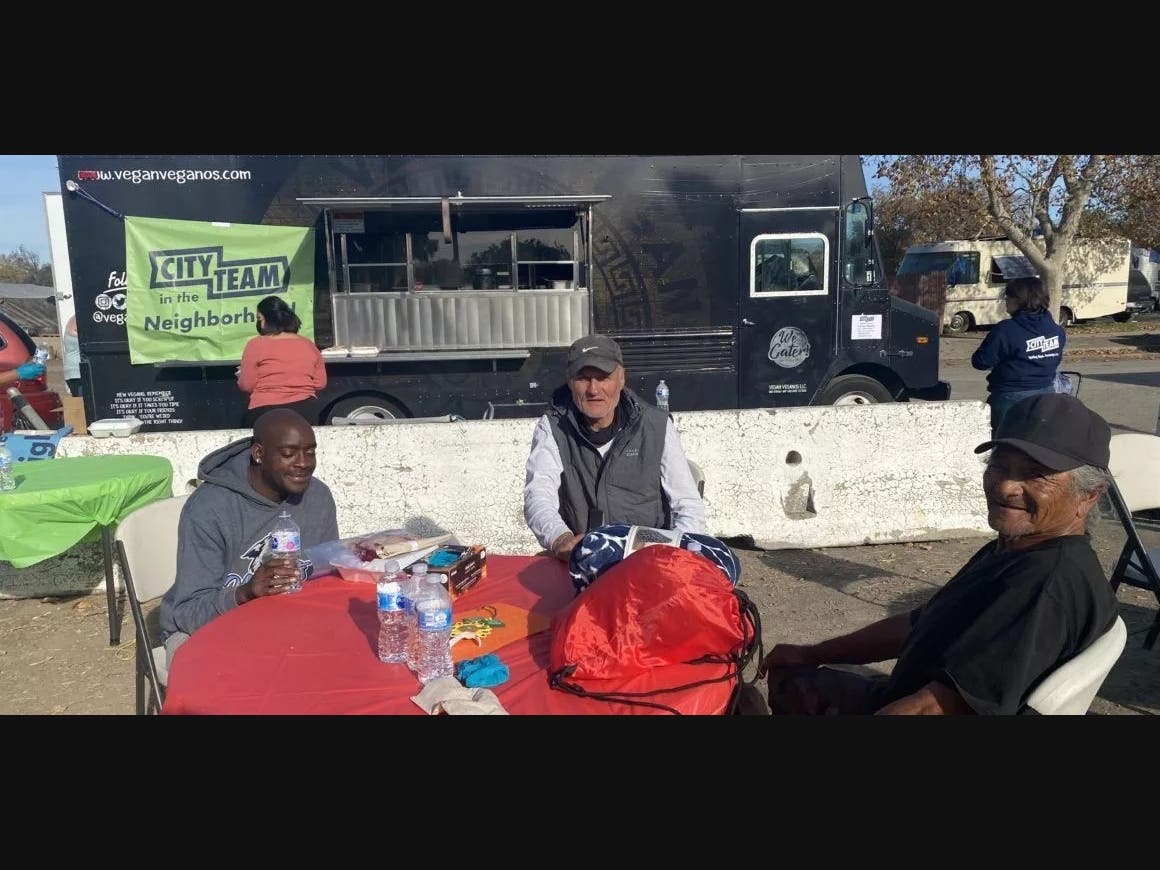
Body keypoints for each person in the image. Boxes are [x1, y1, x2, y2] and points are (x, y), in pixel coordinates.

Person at [757, 393, 1118, 715]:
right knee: (792, 677)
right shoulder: (1016, 548)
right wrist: (811, 653)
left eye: (1036, 475)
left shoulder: (1041, 587)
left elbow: (935, 708)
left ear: (1089, 495)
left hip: (914, 704)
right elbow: (919, 625)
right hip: (903, 692)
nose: (1007, 486)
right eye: (999, 466)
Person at [159, 408, 339, 665]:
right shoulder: (209, 508)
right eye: (288, 453)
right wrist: (246, 592)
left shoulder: (317, 496)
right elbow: (187, 613)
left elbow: (327, 579)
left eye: (310, 452)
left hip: (287, 623)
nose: (303, 463)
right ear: (259, 454)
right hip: (205, 629)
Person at [523, 334, 708, 563]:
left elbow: (688, 505)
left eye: (603, 377)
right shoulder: (552, 426)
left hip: (650, 560)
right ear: (569, 381)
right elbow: (538, 494)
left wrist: (671, 554)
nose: (593, 389)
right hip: (583, 559)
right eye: (583, 378)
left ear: (621, 379)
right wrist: (560, 538)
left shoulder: (656, 425)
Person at [971, 276, 1065, 432]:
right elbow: (1054, 360)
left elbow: (980, 361)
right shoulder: (1056, 330)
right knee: (1037, 439)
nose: (1005, 301)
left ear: (1019, 300)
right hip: (1046, 393)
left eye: (1007, 297)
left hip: (1010, 396)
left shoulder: (1006, 330)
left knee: (1003, 440)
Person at [237, 295, 327, 427]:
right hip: (306, 411)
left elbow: (246, 385)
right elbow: (320, 383)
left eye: (259, 319)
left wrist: (241, 376)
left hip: (264, 411)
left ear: (268, 319)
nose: (259, 324)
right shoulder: (308, 344)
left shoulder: (255, 344)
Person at [62, 315, 81, 398]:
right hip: (77, 371)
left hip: (72, 371)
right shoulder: (77, 318)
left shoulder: (73, 318)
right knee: (83, 401)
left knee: (79, 401)